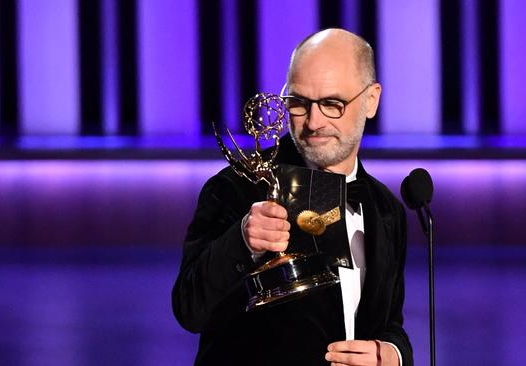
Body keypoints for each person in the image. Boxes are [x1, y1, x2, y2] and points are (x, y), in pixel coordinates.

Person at [172, 28, 413, 366]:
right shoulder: (234, 188)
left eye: (332, 104)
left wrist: (393, 354)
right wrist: (242, 242)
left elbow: (390, 326)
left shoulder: (386, 209)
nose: (313, 122)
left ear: (371, 100)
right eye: (298, 103)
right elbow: (188, 309)